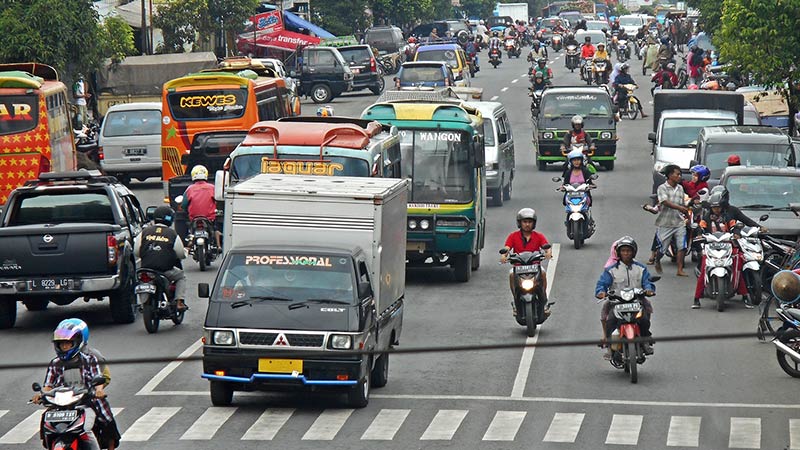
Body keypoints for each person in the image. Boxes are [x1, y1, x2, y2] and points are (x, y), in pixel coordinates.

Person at [33, 320, 114, 450]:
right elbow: (48, 385)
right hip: (61, 405)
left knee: (101, 421)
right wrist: (41, 395)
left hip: (86, 401)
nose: (64, 347)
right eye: (61, 344)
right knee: (46, 423)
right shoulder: (55, 363)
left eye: (68, 343)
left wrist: (98, 391)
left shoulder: (90, 360)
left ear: (76, 342)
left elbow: (98, 378)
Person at [692, 186, 765, 308]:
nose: (716, 210)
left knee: (737, 267)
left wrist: (736, 233)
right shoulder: (706, 217)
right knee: (704, 268)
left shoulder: (728, 216)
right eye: (714, 207)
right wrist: (700, 235)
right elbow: (701, 228)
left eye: (718, 207)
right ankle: (696, 298)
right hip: (711, 247)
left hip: (728, 246)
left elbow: (735, 226)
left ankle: (745, 295)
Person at [595, 236, 656, 357]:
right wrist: (601, 292)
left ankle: (645, 341)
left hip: (637, 301)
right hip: (617, 303)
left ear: (633, 252)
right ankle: (609, 346)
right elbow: (602, 284)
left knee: (644, 319)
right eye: (623, 251)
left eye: (628, 251)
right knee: (610, 321)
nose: (626, 253)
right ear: (619, 253)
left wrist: (649, 290)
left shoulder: (641, 268)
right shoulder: (611, 270)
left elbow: (647, 282)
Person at [500, 208, 553, 322]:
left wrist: (548, 253)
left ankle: (544, 301)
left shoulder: (538, 236)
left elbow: (546, 247)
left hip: (535, 267)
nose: (527, 224)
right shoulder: (513, 236)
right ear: (519, 223)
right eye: (524, 222)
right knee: (510, 275)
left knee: (543, 273)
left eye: (530, 222)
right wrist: (504, 255)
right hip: (518, 268)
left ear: (534, 223)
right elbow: (507, 248)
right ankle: (516, 301)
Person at [136, 206, 188, 311]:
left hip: (146, 269)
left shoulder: (144, 232)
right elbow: (180, 254)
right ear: (170, 219)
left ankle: (142, 304)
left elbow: (136, 251)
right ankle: (179, 301)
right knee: (181, 276)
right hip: (165, 271)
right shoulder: (172, 234)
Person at [653, 164, 689, 277]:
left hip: (679, 222)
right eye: (677, 174)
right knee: (662, 248)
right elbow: (664, 202)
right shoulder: (662, 188)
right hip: (665, 222)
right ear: (669, 175)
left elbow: (683, 204)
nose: (679, 177)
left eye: (680, 174)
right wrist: (680, 208)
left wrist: (686, 211)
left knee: (682, 246)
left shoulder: (681, 188)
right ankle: (657, 260)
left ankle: (679, 269)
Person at [181, 165, 222, 252]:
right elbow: (218, 200)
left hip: (194, 218)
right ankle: (218, 246)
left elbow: (183, 204)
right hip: (210, 218)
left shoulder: (189, 189)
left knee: (190, 230)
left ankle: (189, 245)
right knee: (216, 229)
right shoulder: (212, 188)